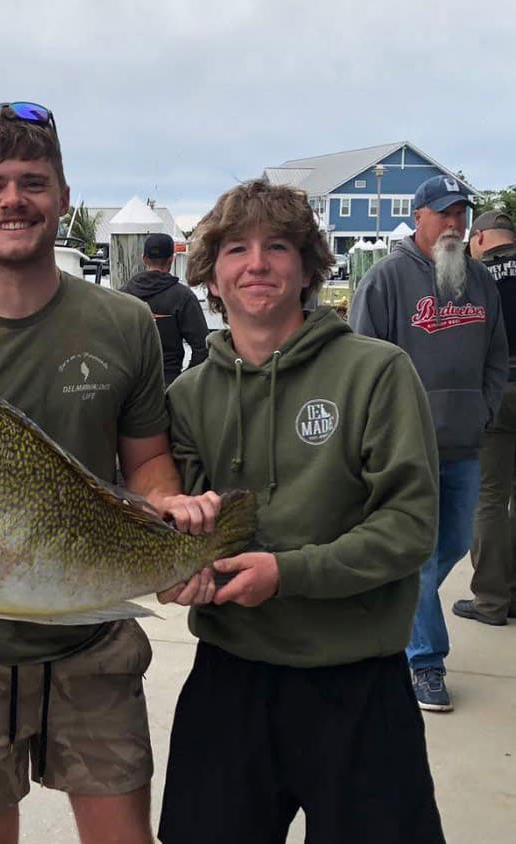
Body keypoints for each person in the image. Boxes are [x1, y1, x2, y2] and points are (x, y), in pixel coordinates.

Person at [0, 102, 220, 844]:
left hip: (93, 638)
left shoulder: (123, 324)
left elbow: (146, 460)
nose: (12, 200)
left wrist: (168, 509)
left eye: (32, 181)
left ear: (63, 198)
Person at [158, 178, 445, 843]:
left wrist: (287, 574)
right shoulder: (188, 398)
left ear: (309, 267)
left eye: (277, 246)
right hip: (230, 675)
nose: (256, 263)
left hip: (359, 679)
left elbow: (409, 527)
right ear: (210, 275)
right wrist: (179, 571)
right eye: (236, 249)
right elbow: (189, 533)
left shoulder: (377, 372)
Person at [349, 174, 507, 710]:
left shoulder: (480, 280)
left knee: (454, 545)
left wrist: (485, 409)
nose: (455, 224)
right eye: (444, 213)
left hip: (465, 443)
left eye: (461, 214)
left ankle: (388, 604)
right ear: (417, 217)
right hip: (406, 447)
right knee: (418, 557)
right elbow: (360, 360)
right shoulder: (386, 279)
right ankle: (425, 662)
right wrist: (379, 431)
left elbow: (496, 356)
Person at [456, 210, 516, 625]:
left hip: (497, 390)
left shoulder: (475, 278)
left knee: (490, 497)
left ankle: (492, 601)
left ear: (478, 239)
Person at [121, 232, 209, 385]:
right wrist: (183, 383)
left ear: (144, 259)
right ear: (171, 259)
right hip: (168, 384)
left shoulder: (122, 295)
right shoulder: (183, 296)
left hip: (130, 386)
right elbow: (203, 348)